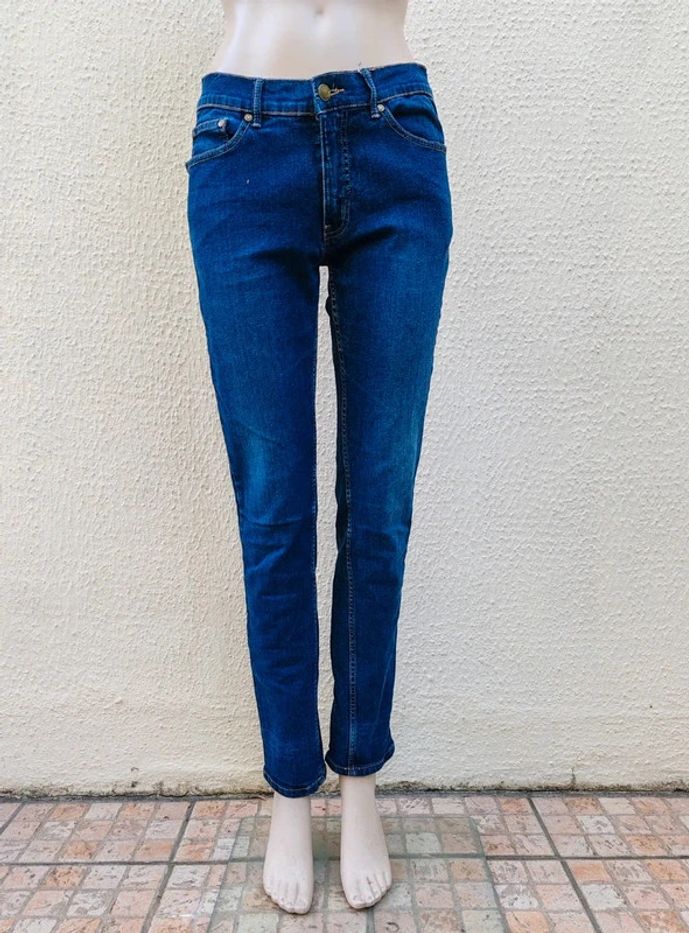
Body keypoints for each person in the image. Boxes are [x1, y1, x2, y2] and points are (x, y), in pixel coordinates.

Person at [185, 0, 453, 915]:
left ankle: (361, 778)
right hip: (243, 140)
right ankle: (291, 789)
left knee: (379, 502)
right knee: (274, 509)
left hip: (393, 135)